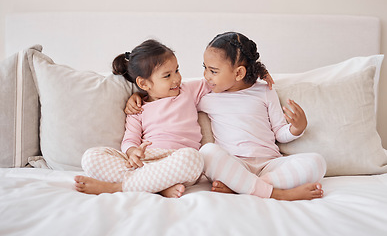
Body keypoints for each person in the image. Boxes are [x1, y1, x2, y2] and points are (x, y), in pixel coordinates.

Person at [126, 32, 326, 201]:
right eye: (205, 68)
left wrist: (296, 129)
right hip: (234, 163)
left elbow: (280, 133)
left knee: (317, 162)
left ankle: (246, 187)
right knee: (207, 153)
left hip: (270, 163)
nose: (206, 76)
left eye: (212, 70)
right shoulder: (207, 95)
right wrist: (139, 96)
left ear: (239, 73)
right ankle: (277, 194)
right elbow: (166, 100)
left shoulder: (265, 92)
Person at [74, 39, 209, 198]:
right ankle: (158, 187)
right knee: (91, 157)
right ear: (144, 84)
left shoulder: (188, 91)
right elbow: (129, 139)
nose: (176, 79)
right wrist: (133, 153)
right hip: (146, 161)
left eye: (177, 70)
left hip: (177, 160)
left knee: (194, 159)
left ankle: (118, 188)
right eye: (167, 75)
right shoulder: (138, 109)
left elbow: (214, 83)